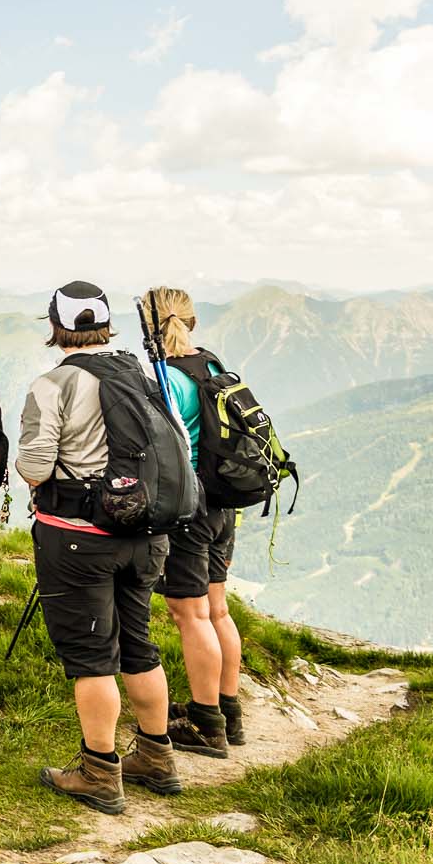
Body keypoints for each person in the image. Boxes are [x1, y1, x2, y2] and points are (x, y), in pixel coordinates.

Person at [13, 281, 182, 813]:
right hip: (147, 534)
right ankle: (156, 757)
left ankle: (99, 773)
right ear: (106, 324)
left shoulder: (53, 384)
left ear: (55, 325)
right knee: (138, 645)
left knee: (92, 659)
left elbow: (36, 466)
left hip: (79, 538)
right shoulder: (140, 374)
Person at [143, 287, 246, 752]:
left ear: (150, 328)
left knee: (190, 614)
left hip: (191, 508)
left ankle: (206, 725)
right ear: (192, 322)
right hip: (224, 503)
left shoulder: (164, 378)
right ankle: (228, 712)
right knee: (217, 609)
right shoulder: (211, 365)